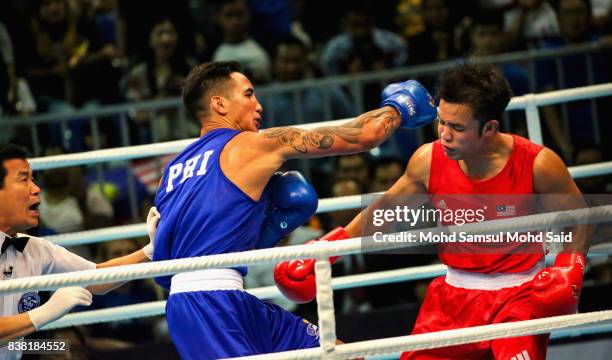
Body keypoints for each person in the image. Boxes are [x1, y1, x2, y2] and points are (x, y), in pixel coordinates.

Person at [275, 63, 591, 360]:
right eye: (441, 121)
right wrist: (328, 249)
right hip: (452, 297)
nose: (444, 133)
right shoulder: (428, 160)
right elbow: (384, 212)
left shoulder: (537, 163)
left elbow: (580, 219)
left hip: (520, 297)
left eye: (456, 127)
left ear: (489, 128)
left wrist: (570, 265)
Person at [152, 60, 436, 359]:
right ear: (219, 104)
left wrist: (102, 274)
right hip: (207, 306)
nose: (258, 105)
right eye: (248, 95)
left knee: (341, 355)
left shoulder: (173, 171)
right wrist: (398, 107)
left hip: (222, 299)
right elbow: (366, 134)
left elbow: (154, 252)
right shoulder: (252, 145)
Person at [0, 144, 159, 359]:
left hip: (23, 351)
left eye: (33, 179)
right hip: (29, 348)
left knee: (67, 348)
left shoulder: (34, 248)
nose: (36, 188)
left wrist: (149, 251)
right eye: (23, 179)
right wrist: (43, 313)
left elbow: (96, 278)